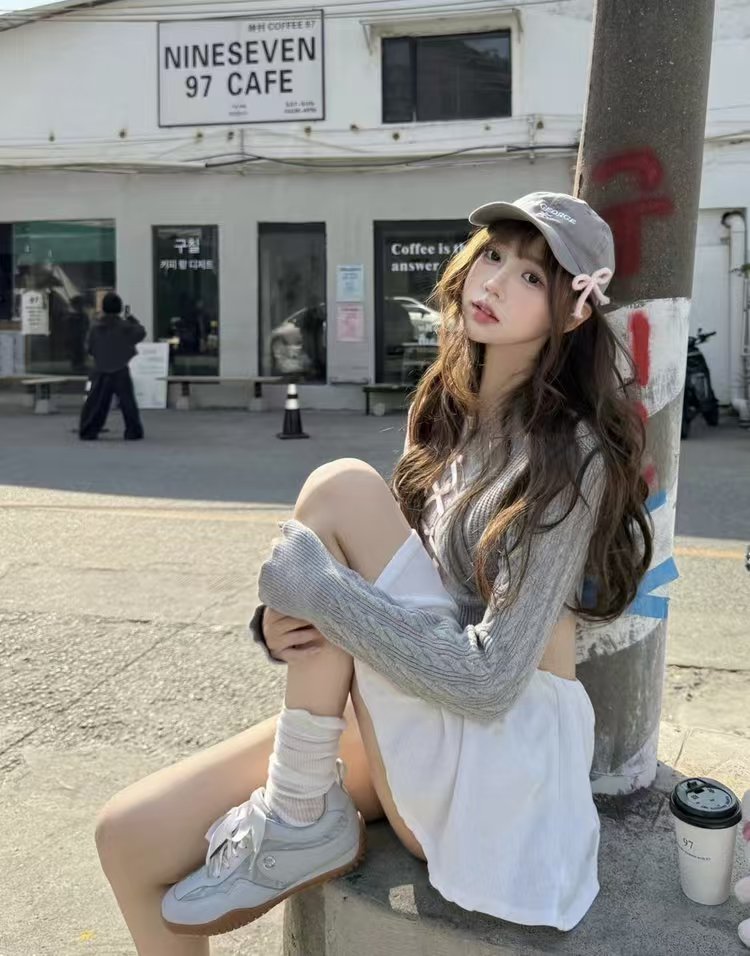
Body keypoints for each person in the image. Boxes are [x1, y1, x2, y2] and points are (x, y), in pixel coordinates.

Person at [94, 193, 654, 951]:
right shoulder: (451, 416)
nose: (494, 283)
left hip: (497, 763)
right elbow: (383, 593)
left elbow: (491, 681)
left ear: (574, 312)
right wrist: (289, 620)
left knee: (340, 489)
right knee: (127, 837)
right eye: (493, 255)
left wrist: (322, 592)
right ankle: (298, 811)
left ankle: (298, 813)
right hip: (415, 710)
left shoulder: (569, 453)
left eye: (532, 276)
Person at [79, 291, 145, 441]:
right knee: (127, 402)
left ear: (103, 307)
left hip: (100, 368)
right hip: (120, 368)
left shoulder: (95, 327)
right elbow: (140, 333)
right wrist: (132, 320)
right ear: (119, 308)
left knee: (95, 402)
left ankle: (88, 430)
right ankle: (133, 431)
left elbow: (89, 348)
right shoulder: (125, 326)